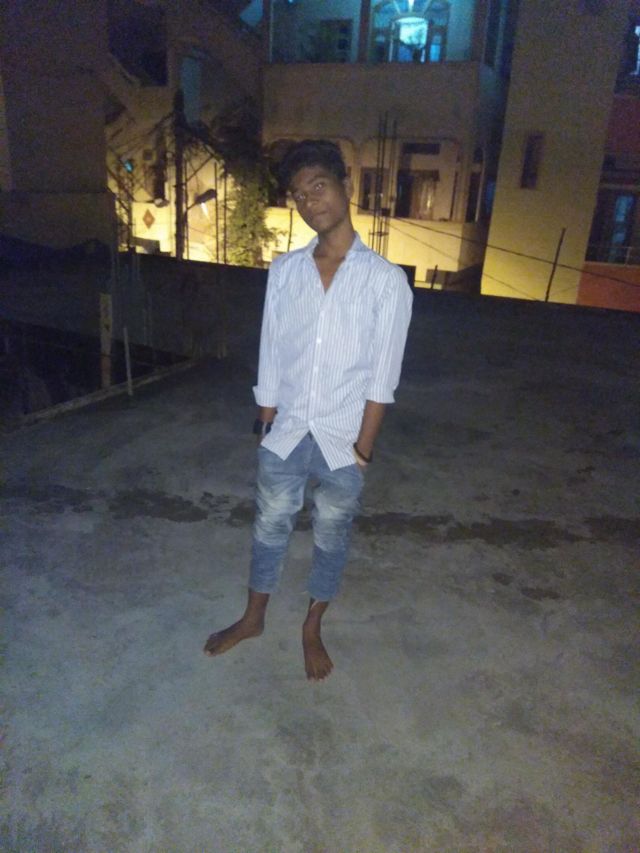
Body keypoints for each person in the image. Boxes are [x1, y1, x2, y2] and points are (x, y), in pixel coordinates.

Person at [204, 139, 413, 680]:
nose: (309, 201)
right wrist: (264, 423)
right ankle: (254, 617)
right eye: (298, 194)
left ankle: (312, 625)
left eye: (318, 186)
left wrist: (363, 450)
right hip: (286, 430)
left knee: (331, 534)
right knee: (269, 524)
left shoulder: (385, 281)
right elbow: (271, 352)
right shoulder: (286, 271)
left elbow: (382, 377)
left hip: (345, 439)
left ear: (346, 185)